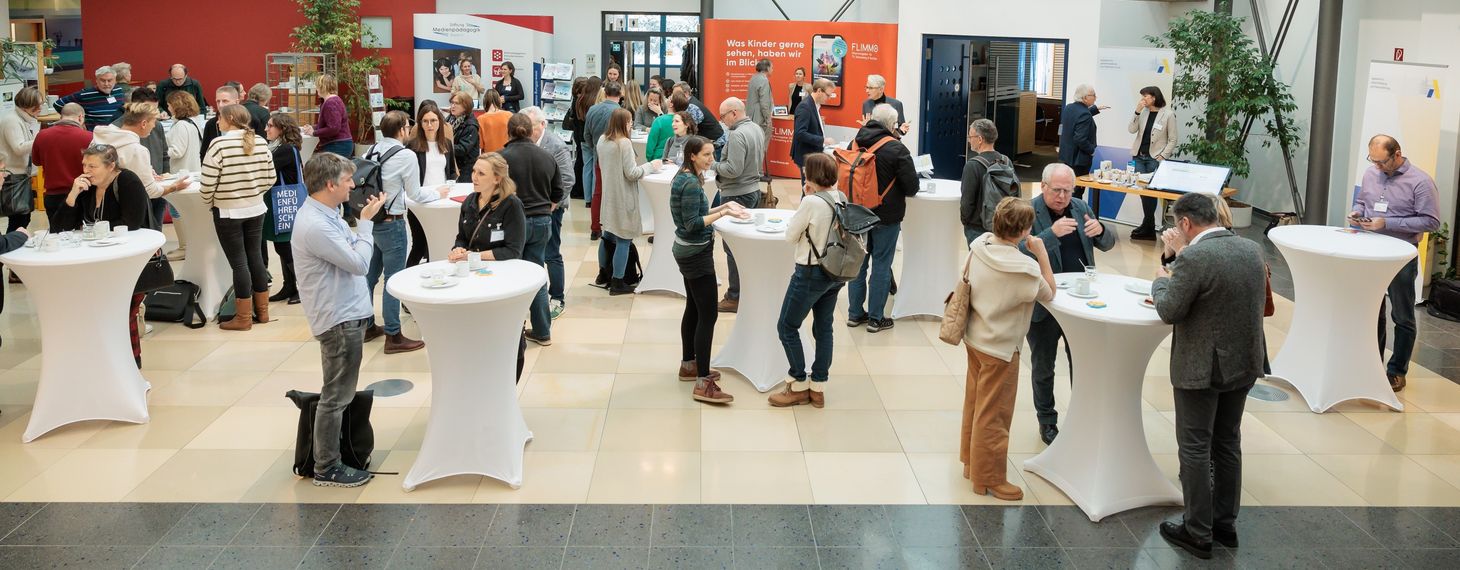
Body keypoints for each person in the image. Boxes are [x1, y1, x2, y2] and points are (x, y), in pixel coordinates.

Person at [1150, 193, 1266, 559]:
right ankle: (1224, 524)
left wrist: (1159, 281)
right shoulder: (1250, 249)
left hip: (1202, 367)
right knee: (1228, 443)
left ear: (1186, 224)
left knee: (1196, 447)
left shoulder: (1197, 257)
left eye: (1176, 225)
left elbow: (1169, 309)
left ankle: (1197, 530)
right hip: (1244, 361)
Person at [293, 152, 385, 488]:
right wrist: (367, 225)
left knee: (339, 392)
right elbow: (359, 263)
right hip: (338, 320)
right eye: (347, 180)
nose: (353, 184)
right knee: (336, 396)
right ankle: (326, 467)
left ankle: (333, 456)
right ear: (330, 184)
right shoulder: (317, 225)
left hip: (346, 313)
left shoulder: (327, 214)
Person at [959, 197, 1055, 501]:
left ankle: (970, 463)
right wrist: (1041, 254)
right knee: (995, 416)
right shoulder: (1024, 268)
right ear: (1025, 230)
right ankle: (988, 479)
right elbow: (1049, 292)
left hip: (974, 338)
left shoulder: (979, 247)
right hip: (1001, 349)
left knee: (974, 403)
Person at [1020, 163, 1114, 445]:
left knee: (1083, 361)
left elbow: (1108, 244)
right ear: (1044, 186)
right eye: (1057, 190)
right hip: (1045, 303)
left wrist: (1100, 231)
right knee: (1044, 364)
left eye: (1067, 190)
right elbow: (1017, 251)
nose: (1062, 196)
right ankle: (1047, 421)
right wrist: (1051, 234)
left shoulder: (1081, 207)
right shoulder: (1027, 211)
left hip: (1081, 300)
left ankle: (1082, 416)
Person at [1350, 134, 1441, 392]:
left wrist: (1387, 223)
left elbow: (1431, 221)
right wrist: (1358, 211)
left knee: (1402, 315)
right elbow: (1363, 201)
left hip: (1401, 255)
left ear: (1397, 154)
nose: (1377, 167)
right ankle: (1371, 363)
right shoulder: (1370, 174)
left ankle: (1396, 371)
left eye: (1382, 162)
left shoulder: (1421, 182)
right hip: (1370, 250)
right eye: (1373, 160)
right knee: (1371, 310)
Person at [54, 144, 153, 366]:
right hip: (96, 261)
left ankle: (131, 362)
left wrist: (93, 231)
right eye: (84, 165)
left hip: (128, 261)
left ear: (111, 166)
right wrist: (72, 194)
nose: (86, 170)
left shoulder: (127, 182)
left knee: (122, 312)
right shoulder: (86, 187)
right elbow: (60, 228)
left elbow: (133, 223)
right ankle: (103, 361)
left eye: (92, 165)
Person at [363, 111, 449, 353]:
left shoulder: (370, 151)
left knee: (370, 276)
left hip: (373, 220)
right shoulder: (405, 155)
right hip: (393, 223)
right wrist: (438, 193)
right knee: (393, 279)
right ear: (402, 129)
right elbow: (416, 193)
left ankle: (367, 325)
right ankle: (394, 335)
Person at [673, 135, 749, 404]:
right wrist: (724, 214)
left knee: (694, 309)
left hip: (686, 251)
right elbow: (694, 223)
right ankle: (703, 382)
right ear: (692, 155)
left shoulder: (685, 178)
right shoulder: (691, 184)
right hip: (695, 254)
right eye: (706, 155)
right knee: (707, 316)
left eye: (712, 154)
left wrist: (724, 206)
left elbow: (697, 213)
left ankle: (689, 365)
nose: (711, 159)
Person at [769, 153, 847, 408]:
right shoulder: (841, 198)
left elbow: (791, 236)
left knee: (786, 326)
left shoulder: (811, 202)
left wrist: (807, 196)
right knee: (824, 328)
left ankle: (798, 382)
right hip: (835, 272)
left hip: (810, 272)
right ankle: (819, 387)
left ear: (811, 176)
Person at [449, 153, 531, 380]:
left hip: (502, 282)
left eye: (481, 173)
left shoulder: (511, 205)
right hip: (473, 281)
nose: (473, 176)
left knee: (507, 338)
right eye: (474, 171)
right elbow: (462, 237)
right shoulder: (469, 202)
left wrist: (473, 256)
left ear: (497, 178)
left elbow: (513, 250)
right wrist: (458, 249)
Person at [200, 105, 276, 331]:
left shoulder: (219, 144)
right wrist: (253, 192)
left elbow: (207, 184)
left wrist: (211, 201)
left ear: (230, 119)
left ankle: (243, 318)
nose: (217, 122)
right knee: (255, 257)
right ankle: (263, 312)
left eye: (219, 117)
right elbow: (270, 177)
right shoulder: (261, 142)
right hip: (256, 208)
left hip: (227, 211)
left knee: (239, 263)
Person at [845, 103, 919, 332]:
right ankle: (876, 318)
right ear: (891, 124)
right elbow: (912, 187)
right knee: (881, 265)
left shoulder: (854, 143)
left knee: (858, 264)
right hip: (886, 217)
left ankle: (855, 314)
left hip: (857, 214)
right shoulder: (896, 149)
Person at [500, 111, 562, 345]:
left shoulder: (501, 158)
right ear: (530, 130)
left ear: (509, 132)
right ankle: (542, 330)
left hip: (513, 223)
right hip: (543, 221)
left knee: (510, 275)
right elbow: (558, 191)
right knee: (536, 274)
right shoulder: (546, 156)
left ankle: (511, 330)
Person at [597, 108, 661, 295]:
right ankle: (618, 282)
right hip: (623, 197)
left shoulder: (603, 140)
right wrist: (651, 166)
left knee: (607, 236)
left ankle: (603, 274)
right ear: (623, 123)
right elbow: (632, 174)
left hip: (608, 196)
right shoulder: (623, 143)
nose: (631, 124)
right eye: (629, 121)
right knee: (624, 239)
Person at [711, 97, 767, 313]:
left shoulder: (736, 134)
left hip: (736, 194)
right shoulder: (755, 129)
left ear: (734, 113)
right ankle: (746, 290)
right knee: (743, 245)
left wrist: (712, 164)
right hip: (752, 191)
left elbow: (733, 169)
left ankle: (735, 296)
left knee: (732, 247)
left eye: (723, 116)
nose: (722, 120)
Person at [92, 102, 190, 219]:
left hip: (97, 208)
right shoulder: (137, 150)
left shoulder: (96, 141)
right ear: (143, 123)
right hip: (128, 212)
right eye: (154, 122)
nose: (154, 126)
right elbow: (150, 191)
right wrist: (173, 187)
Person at [522, 106, 575, 320]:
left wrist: (552, 205)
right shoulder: (526, 144)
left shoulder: (555, 146)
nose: (526, 131)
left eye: (530, 126)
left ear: (542, 125)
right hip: (532, 208)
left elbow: (568, 179)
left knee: (552, 253)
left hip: (551, 208)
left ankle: (557, 298)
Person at [405, 102, 457, 268]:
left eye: (433, 120)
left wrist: (450, 185)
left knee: (438, 245)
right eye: (426, 121)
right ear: (420, 123)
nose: (430, 125)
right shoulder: (413, 147)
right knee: (420, 245)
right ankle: (408, 279)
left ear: (439, 122)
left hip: (441, 201)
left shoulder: (447, 144)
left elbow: (451, 172)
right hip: (420, 202)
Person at [112, 88, 171, 226]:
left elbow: (164, 154)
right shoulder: (117, 128)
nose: (155, 115)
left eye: (156, 109)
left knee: (157, 228)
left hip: (157, 186)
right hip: (134, 192)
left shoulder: (157, 126)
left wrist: (165, 176)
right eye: (150, 109)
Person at [1129, 86, 1179, 241]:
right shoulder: (1143, 112)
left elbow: (1173, 139)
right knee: (1143, 192)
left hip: (1154, 158)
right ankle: (1148, 225)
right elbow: (1131, 129)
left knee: (1151, 192)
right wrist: (1136, 112)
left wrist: (1163, 156)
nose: (1143, 99)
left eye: (1146, 96)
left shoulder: (1168, 114)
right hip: (1139, 156)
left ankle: (1148, 226)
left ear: (1154, 97)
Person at [265, 112, 306, 305]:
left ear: (281, 129)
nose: (266, 129)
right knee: (282, 246)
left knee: (284, 247)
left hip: (283, 202)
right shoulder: (285, 148)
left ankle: (303, 287)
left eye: (270, 126)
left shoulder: (283, 150)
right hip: (284, 203)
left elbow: (267, 170)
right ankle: (289, 286)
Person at [32, 103, 92, 230]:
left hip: (53, 195)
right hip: (82, 193)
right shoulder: (89, 137)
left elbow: (36, 162)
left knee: (58, 237)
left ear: (61, 116)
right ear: (81, 117)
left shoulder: (42, 135)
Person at [959, 119, 1012, 243]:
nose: (968, 140)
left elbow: (967, 201)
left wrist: (966, 222)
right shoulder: (1006, 161)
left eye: (970, 136)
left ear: (980, 139)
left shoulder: (972, 165)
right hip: (1003, 225)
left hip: (978, 227)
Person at [584, 81, 625, 240]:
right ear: (620, 94)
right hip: (615, 157)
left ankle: (595, 228)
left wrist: (595, 147)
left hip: (598, 154)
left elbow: (586, 134)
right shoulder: (619, 112)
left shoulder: (593, 109)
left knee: (598, 192)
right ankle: (613, 227)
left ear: (604, 92)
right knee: (616, 192)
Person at [0, 86, 41, 234]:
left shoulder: (23, 119)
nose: (40, 108)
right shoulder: (12, 121)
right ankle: (9, 247)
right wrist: (40, 139)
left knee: (22, 216)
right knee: (20, 216)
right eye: (37, 106)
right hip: (13, 174)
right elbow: (19, 147)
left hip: (20, 174)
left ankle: (11, 245)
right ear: (26, 106)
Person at [1058, 85, 1105, 195]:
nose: (1095, 97)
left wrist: (1094, 110)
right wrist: (1092, 150)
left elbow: (1077, 118)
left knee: (1068, 189)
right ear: (1084, 98)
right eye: (1093, 95)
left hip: (1067, 157)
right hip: (1079, 160)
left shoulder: (1069, 107)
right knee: (1077, 192)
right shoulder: (1084, 114)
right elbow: (1080, 139)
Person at [55, 65, 126, 130]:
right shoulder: (85, 94)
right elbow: (58, 104)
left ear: (115, 80)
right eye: (103, 80)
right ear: (97, 80)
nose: (106, 84)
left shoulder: (118, 90)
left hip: (117, 133)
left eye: (110, 80)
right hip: (95, 136)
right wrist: (77, 121)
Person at [791, 78, 835, 177]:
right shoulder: (805, 106)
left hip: (812, 154)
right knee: (808, 189)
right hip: (807, 155)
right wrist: (823, 140)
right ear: (819, 91)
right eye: (828, 95)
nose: (829, 98)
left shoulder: (815, 105)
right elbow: (800, 133)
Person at [303, 74, 353, 158]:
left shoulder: (331, 103)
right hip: (339, 144)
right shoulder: (331, 101)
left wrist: (314, 132)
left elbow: (333, 128)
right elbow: (330, 125)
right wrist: (313, 127)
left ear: (323, 87)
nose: (316, 89)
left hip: (337, 145)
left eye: (318, 86)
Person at [165, 90, 205, 174]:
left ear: (176, 106)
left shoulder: (181, 125)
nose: (168, 108)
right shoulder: (194, 121)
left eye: (169, 105)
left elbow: (177, 152)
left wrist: (161, 151)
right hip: (194, 169)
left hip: (181, 172)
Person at [445, 91, 479, 182]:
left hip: (465, 168)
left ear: (465, 106)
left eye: (456, 103)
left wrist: (443, 146)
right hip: (453, 164)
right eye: (452, 103)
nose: (453, 106)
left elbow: (463, 149)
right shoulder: (450, 119)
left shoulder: (471, 126)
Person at [201, 85, 241, 161]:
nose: (220, 105)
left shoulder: (248, 121)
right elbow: (204, 153)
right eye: (218, 101)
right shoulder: (211, 124)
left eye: (225, 101)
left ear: (237, 102)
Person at [746, 59, 774, 144]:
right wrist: (768, 119)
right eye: (772, 67)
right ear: (768, 68)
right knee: (761, 146)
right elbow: (764, 103)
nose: (773, 70)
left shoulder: (754, 78)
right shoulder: (763, 80)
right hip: (760, 119)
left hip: (751, 117)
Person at [643, 93, 675, 160]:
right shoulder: (683, 120)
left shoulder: (659, 120)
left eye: (669, 98)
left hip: (658, 157)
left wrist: (649, 159)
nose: (667, 98)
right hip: (674, 157)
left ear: (671, 104)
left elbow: (651, 143)